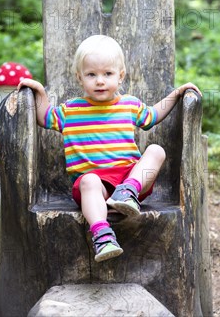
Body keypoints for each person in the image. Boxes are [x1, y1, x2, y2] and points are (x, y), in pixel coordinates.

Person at [18, 35, 201, 263]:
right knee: (88, 182)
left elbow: (152, 116)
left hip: (129, 178)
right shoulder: (71, 110)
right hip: (96, 186)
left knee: (156, 151)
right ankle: (102, 235)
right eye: (91, 74)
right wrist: (39, 92)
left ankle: (128, 192)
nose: (100, 81)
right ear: (80, 77)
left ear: (120, 75)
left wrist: (176, 93)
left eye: (108, 74)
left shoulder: (129, 105)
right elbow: (45, 118)